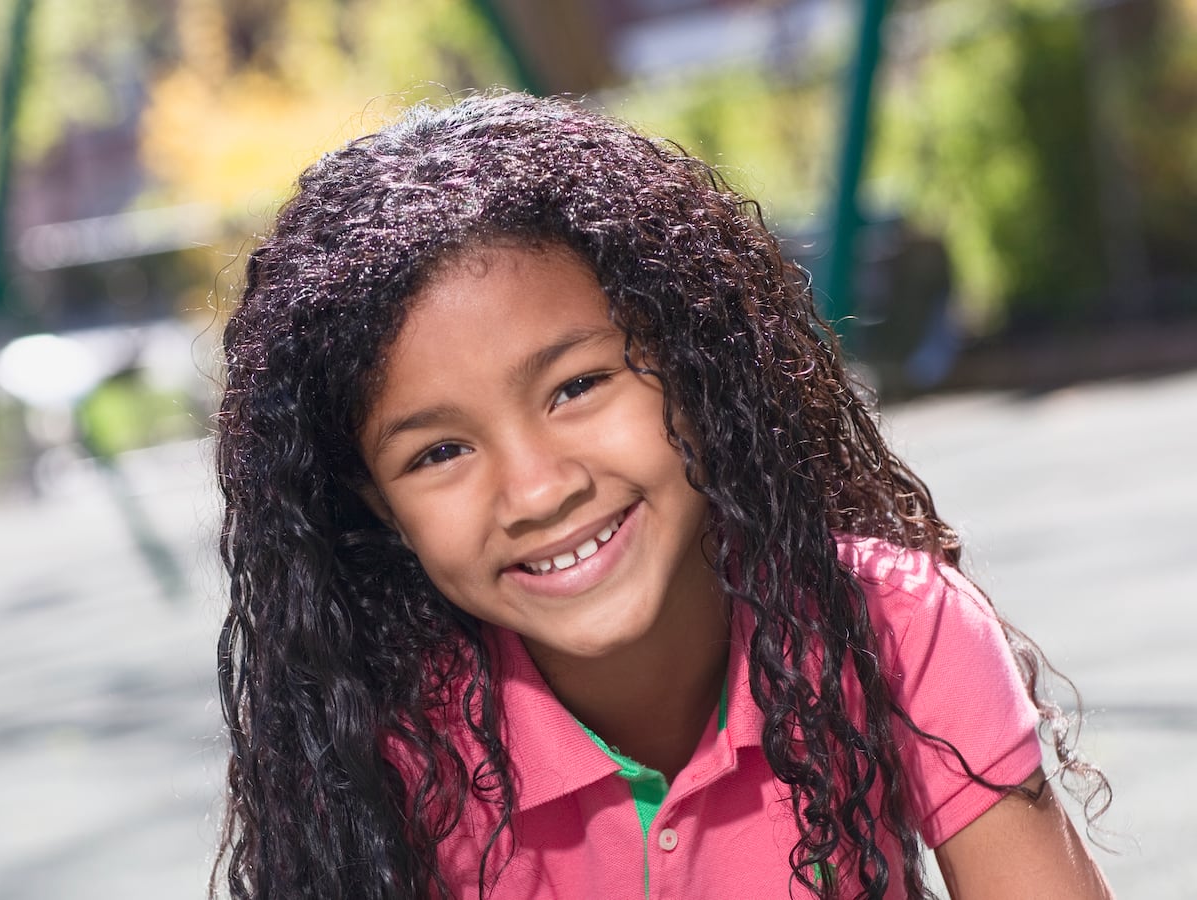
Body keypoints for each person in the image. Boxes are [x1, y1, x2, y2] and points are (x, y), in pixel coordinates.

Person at [211, 92, 1111, 899]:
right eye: (440, 451)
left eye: (576, 388)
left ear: (693, 365)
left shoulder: (890, 624)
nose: (536, 489)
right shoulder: (399, 750)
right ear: (376, 506)